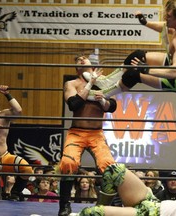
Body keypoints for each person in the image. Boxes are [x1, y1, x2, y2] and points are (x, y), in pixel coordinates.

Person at [84, 0, 176, 99]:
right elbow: (165, 26)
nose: (165, 17)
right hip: (172, 62)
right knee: (137, 55)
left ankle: (103, 95)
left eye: (169, 16)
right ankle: (106, 81)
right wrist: (145, 23)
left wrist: (146, 69)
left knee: (134, 73)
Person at [58, 54, 117, 216]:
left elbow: (112, 106)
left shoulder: (104, 81)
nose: (82, 58)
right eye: (78, 59)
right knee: (68, 163)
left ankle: (104, 207)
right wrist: (91, 83)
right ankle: (64, 206)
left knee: (108, 166)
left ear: (92, 64)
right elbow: (73, 104)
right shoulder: (72, 83)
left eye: (85, 57)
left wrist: (103, 101)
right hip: (77, 132)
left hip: (96, 133)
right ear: (77, 68)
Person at [79, 163, 176, 216]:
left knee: (91, 213)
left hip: (151, 215)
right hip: (154, 202)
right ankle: (103, 205)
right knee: (114, 170)